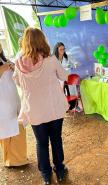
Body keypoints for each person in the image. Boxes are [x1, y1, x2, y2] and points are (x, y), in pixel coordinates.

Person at [13, 28, 69, 185]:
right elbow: (64, 75)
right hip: (53, 108)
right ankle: (60, 170)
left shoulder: (18, 63)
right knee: (56, 139)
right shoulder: (50, 60)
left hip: (35, 110)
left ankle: (45, 174)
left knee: (41, 143)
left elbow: (17, 82)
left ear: (25, 42)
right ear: (42, 40)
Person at [0, 57, 28, 167]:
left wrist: (13, 67)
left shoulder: (4, 59)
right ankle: (11, 160)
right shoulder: (4, 64)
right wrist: (4, 68)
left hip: (13, 99)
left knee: (19, 128)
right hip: (3, 104)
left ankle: (20, 158)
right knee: (8, 131)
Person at [52, 42, 81, 112]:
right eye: (61, 49)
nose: (63, 51)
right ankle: (62, 107)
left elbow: (74, 63)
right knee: (61, 93)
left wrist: (75, 64)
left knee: (72, 92)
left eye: (63, 49)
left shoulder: (67, 56)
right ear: (56, 50)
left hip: (68, 78)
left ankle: (74, 106)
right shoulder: (53, 58)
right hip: (58, 79)